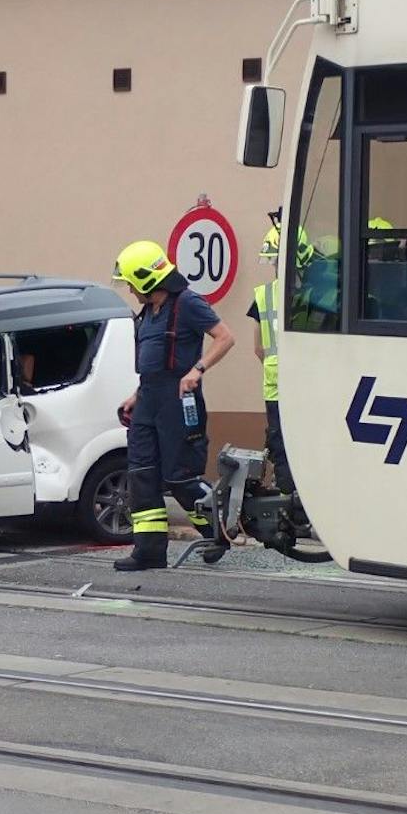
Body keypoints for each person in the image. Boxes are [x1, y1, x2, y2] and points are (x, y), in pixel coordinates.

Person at [111, 240, 235, 572]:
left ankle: (217, 531)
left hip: (179, 400)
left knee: (179, 477)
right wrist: (137, 396)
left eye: (131, 282)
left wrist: (197, 370)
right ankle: (149, 551)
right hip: (149, 398)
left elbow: (225, 337)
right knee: (141, 474)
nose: (130, 289)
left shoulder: (189, 304)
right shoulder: (148, 312)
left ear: (145, 279)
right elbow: (152, 362)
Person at [248, 224, 312, 495]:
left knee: (282, 445)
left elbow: (258, 348)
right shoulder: (319, 293)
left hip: (276, 387)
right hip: (309, 387)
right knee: (309, 444)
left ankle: (289, 503)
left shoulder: (264, 295)